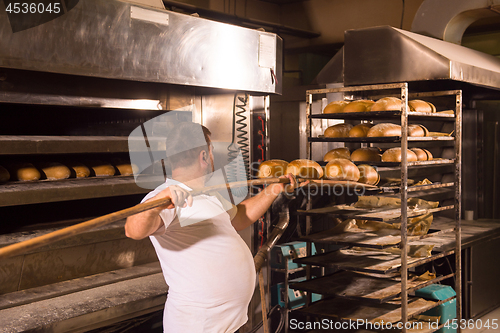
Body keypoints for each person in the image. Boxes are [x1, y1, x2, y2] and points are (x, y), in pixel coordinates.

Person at [125, 122, 296, 333]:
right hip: (198, 324)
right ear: (204, 156)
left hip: (225, 323)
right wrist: (159, 200)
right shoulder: (165, 196)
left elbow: (239, 217)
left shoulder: (206, 194)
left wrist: (275, 188)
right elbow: (133, 230)